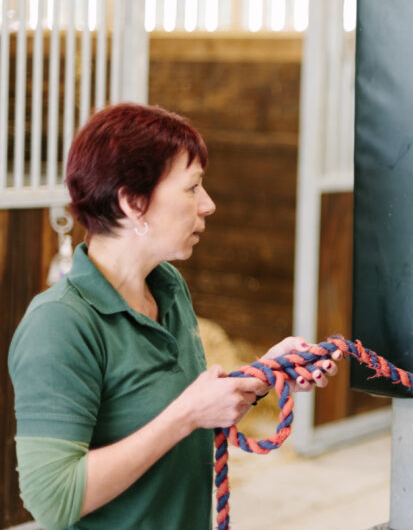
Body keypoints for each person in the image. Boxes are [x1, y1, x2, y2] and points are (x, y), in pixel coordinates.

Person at [8, 102, 341, 529]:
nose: (208, 205)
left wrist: (261, 378)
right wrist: (187, 416)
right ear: (133, 202)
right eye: (192, 188)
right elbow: (52, 500)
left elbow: (181, 405)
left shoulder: (167, 288)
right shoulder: (59, 324)